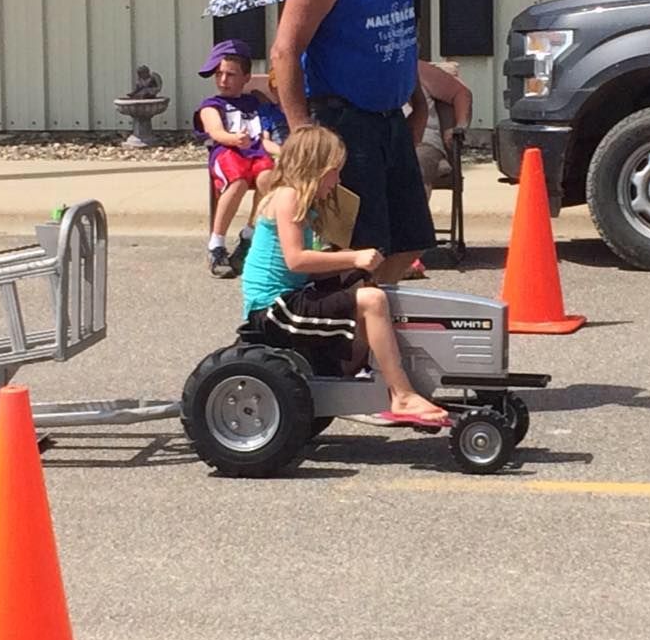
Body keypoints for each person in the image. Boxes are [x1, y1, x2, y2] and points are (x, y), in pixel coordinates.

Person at [270, 0, 434, 285]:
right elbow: (285, 51)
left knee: (411, 240)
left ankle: (373, 311)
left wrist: (418, 101)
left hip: (390, 117)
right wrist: (303, 135)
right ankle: (355, 317)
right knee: (360, 247)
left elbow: (400, 33)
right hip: (344, 119)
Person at [241, 124, 448, 424]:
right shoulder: (288, 197)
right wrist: (354, 257)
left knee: (366, 291)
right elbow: (295, 260)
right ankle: (401, 394)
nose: (338, 180)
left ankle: (359, 383)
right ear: (316, 169)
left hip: (289, 297)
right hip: (274, 308)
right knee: (372, 301)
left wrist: (349, 266)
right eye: (335, 172)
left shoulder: (301, 203)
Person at [194, 39, 274, 278]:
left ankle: (250, 235)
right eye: (218, 74)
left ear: (246, 77)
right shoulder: (212, 105)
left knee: (269, 178)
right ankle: (216, 245)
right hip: (227, 152)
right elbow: (215, 131)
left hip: (257, 152)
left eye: (230, 74)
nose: (223, 80)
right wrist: (233, 138)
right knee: (237, 181)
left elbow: (269, 127)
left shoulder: (256, 103)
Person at [405, 59, 474, 278]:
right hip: (384, 138)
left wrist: (459, 126)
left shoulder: (418, 68)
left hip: (424, 141)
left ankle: (409, 250)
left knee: (415, 165)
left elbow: (461, 93)